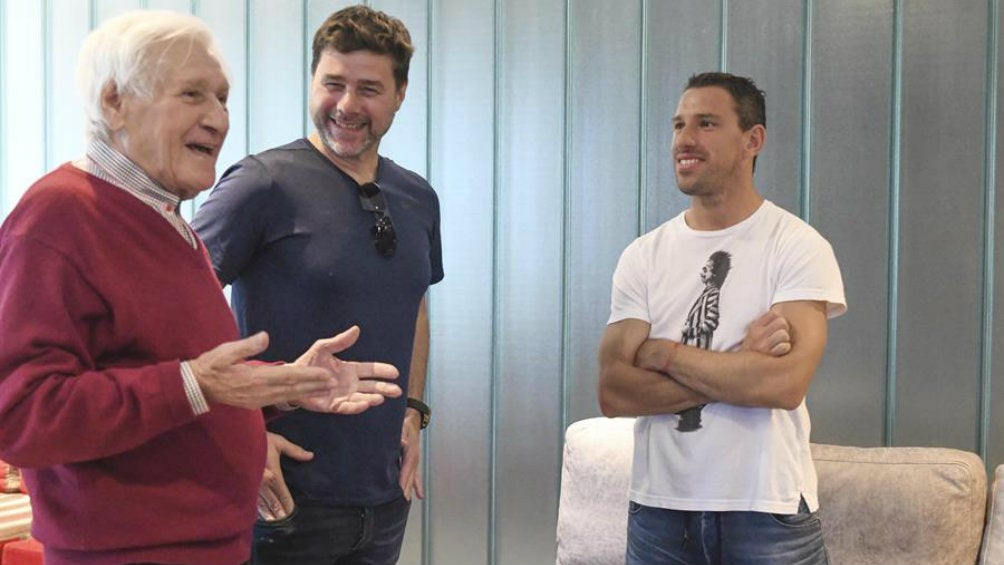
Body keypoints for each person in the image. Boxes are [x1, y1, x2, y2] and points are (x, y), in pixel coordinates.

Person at [0, 10, 402, 565]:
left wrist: (281, 385)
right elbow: (20, 414)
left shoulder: (165, 219)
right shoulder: (60, 216)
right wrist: (192, 385)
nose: (218, 119)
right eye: (192, 94)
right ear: (115, 101)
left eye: (222, 98)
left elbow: (183, 373)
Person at [192, 5, 442, 564]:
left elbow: (415, 303)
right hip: (283, 502)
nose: (347, 105)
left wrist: (413, 410)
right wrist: (242, 433)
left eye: (369, 89)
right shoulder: (261, 184)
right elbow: (177, 308)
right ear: (312, 82)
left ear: (400, 94)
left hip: (384, 500)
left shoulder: (418, 198)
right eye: (333, 83)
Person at [597, 72, 846, 565]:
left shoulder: (797, 246)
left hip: (766, 513)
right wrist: (741, 362)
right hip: (659, 514)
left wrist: (664, 354)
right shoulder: (643, 256)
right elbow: (614, 392)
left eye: (706, 124)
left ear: (753, 140)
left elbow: (783, 384)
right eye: (679, 125)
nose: (684, 140)